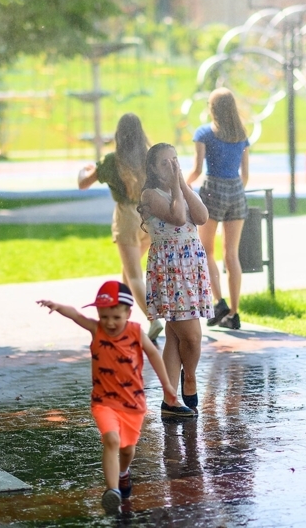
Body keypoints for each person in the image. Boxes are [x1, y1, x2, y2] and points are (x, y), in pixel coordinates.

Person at [36, 281, 192, 514]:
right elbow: (76, 315)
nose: (109, 322)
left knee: (127, 450)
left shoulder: (136, 331)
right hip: (103, 402)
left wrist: (168, 386)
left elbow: (154, 356)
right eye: (104, 315)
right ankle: (112, 492)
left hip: (133, 403)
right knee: (111, 441)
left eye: (116, 317)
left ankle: (123, 473)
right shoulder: (96, 329)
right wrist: (57, 306)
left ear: (128, 313)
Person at [140, 143, 213, 415]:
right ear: (153, 170)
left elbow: (202, 217)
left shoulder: (181, 189)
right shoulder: (150, 194)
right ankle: (190, 378)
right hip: (170, 270)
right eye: (165, 163)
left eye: (175, 161)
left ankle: (170, 399)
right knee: (192, 337)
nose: (172, 166)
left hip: (191, 265)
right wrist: (175, 186)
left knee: (174, 335)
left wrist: (181, 183)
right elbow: (179, 217)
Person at [78, 113, 165, 341]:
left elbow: (83, 184)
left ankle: (153, 319)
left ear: (118, 135)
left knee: (135, 275)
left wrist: (84, 169)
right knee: (129, 271)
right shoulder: (150, 159)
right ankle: (124, 320)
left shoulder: (111, 161)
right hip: (149, 218)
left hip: (126, 218)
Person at [186, 88, 250, 331]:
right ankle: (234, 313)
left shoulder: (205, 133)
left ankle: (218, 301)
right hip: (236, 191)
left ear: (212, 108)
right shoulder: (241, 135)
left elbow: (197, 170)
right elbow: (245, 175)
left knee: (207, 250)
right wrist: (234, 190)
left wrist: (182, 183)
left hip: (213, 190)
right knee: (231, 255)